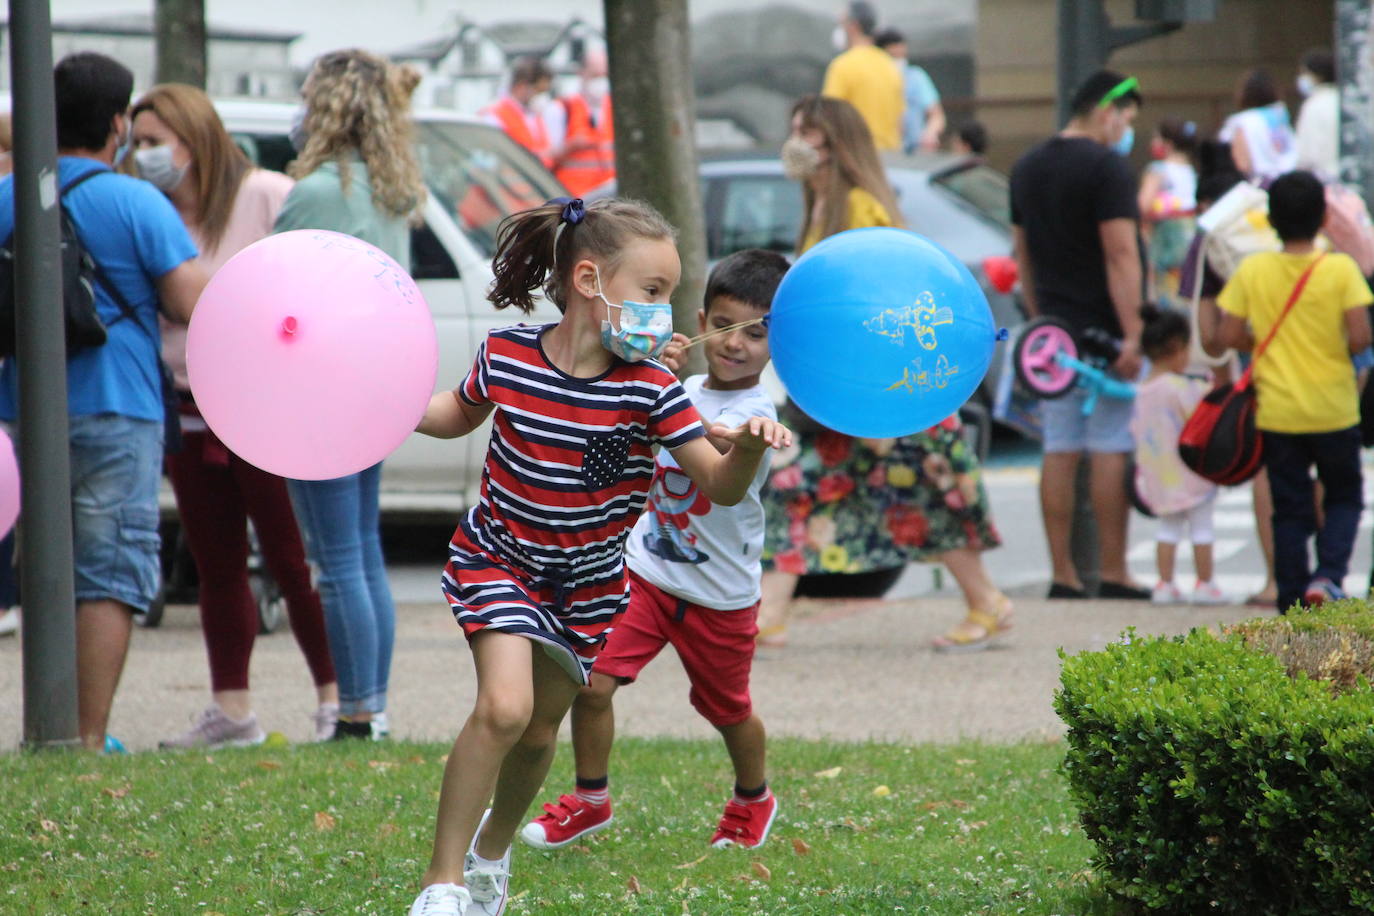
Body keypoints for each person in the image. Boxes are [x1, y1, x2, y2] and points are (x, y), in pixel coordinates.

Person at [406, 197, 790, 916]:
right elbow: (454, 413)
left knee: (539, 733)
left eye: (670, 296)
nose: (665, 312)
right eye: (652, 292)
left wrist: (743, 452)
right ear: (589, 281)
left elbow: (719, 484)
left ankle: (492, 852)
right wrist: (385, 401)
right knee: (503, 708)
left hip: (586, 589)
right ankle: (442, 882)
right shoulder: (509, 354)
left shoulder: (652, 389)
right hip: (500, 560)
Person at [520, 249, 787, 856]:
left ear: (778, 343)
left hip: (719, 595)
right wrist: (652, 378)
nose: (738, 344)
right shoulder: (674, 386)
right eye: (726, 325)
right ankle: (591, 799)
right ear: (700, 319)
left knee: (728, 710)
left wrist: (735, 441)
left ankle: (754, 796)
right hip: (645, 572)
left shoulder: (758, 415)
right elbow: (624, 444)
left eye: (758, 333)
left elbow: (725, 475)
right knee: (590, 683)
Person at [0, 52, 206, 749]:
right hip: (120, 406)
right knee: (109, 571)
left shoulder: (7, 197)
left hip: (23, 406)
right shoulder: (136, 201)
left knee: (43, 567)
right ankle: (86, 737)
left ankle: (44, 725)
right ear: (118, 123)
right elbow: (186, 303)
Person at [127, 83, 341, 748]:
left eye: (154, 143)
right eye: (134, 143)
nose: (143, 156)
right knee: (216, 564)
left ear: (195, 141)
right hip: (188, 407)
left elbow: (315, 282)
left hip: (265, 408)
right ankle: (232, 709)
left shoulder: (265, 195)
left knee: (291, 557)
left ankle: (338, 702)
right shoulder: (150, 211)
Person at [760, 95, 1010, 654]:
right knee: (793, 487)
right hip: (851, 396)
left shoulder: (859, 208)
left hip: (887, 396)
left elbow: (877, 308)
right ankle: (769, 613)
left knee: (923, 497)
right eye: (794, 127)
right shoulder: (824, 205)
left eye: (807, 131)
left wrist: (874, 410)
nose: (795, 141)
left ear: (834, 143)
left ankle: (987, 600)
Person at [273, 49, 426, 741]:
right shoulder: (388, 189)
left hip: (320, 395)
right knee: (361, 552)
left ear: (328, 105)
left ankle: (358, 713)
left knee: (336, 562)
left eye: (307, 96)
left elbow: (274, 292)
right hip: (375, 386)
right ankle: (375, 706)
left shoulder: (317, 192)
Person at [1010, 69, 1148, 601]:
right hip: (1104, 336)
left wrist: (1043, 321)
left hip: (1052, 340)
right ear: (1107, 111)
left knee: (1060, 448)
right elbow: (1120, 254)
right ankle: (1114, 572)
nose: (1126, 130)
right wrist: (1133, 332)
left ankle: (1062, 575)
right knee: (1111, 445)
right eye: (1127, 119)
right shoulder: (1108, 168)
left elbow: (1022, 255)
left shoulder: (1026, 167)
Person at [1217, 170, 1373, 611]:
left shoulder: (1254, 270)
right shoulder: (1340, 270)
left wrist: (1264, 343)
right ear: (1324, 217)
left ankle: (1289, 598)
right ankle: (1328, 577)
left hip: (1279, 412)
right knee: (1343, 495)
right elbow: (1360, 336)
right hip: (1335, 408)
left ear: (1270, 219)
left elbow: (1227, 334)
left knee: (1288, 508)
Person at [1130, 304, 1225, 606]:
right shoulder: (1179, 388)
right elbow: (1200, 414)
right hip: (1190, 471)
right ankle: (1205, 583)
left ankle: (1165, 583)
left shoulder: (1140, 391)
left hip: (1157, 474)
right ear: (1176, 348)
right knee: (1202, 527)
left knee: (1168, 528)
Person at [821, 2, 904, 152]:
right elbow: (900, 121)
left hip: (858, 158)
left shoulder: (843, 65)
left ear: (853, 26)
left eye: (843, 23)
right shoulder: (890, 65)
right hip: (890, 157)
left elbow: (830, 116)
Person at [1138, 117, 1199, 307]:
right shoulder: (1192, 172)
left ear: (1168, 144)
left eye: (1156, 139)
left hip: (1165, 239)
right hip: (1191, 235)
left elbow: (1143, 205)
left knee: (1165, 295)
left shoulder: (1158, 169)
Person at [545, 48, 614, 196]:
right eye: (595, 75)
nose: (601, 81)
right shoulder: (562, 109)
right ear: (581, 73)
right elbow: (544, 159)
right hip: (571, 200)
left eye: (605, 75)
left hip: (608, 201)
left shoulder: (615, 109)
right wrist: (570, 146)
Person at [873, 27, 944, 154]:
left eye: (902, 55)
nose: (899, 61)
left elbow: (936, 115)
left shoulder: (915, 77)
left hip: (915, 152)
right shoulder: (872, 80)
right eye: (893, 56)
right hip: (884, 151)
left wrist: (930, 134)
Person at [1220, 69, 1297, 181]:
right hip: (1289, 180)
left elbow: (1243, 164)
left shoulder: (1243, 122)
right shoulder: (1280, 116)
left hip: (1260, 183)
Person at [482, 56, 554, 170]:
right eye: (538, 91)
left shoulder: (533, 116)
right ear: (521, 86)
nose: (541, 97)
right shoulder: (495, 116)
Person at [1294, 48, 1338, 181]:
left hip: (1322, 179)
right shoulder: (1344, 100)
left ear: (1318, 75)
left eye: (1304, 73)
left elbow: (1306, 154)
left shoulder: (1313, 105)